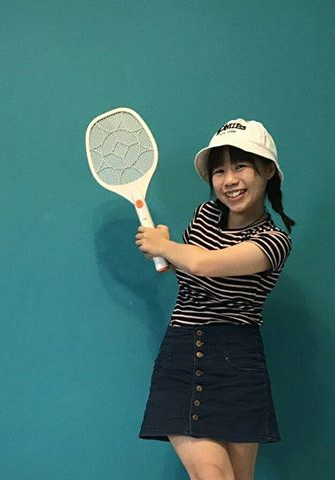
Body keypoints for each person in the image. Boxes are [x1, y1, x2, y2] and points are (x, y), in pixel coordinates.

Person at [135, 119, 294, 480]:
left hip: (239, 361)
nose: (229, 180)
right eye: (219, 171)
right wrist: (167, 252)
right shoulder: (205, 215)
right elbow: (191, 271)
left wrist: (167, 247)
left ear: (268, 170)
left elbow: (204, 265)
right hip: (183, 353)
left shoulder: (274, 242)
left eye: (241, 166)